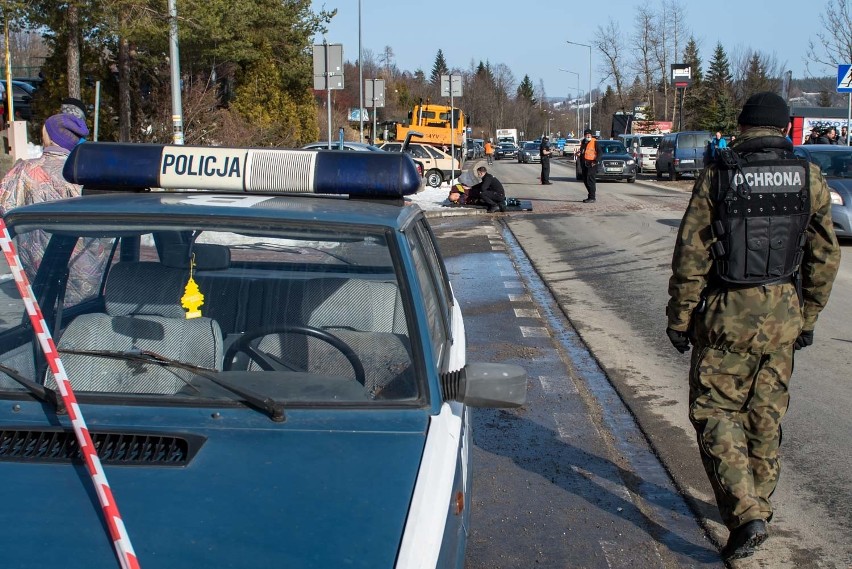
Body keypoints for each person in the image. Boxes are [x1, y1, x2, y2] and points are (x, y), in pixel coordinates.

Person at [666, 92, 840, 563]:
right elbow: (825, 256)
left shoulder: (719, 175)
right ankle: (759, 506)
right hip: (783, 314)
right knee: (766, 416)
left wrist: (680, 319)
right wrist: (808, 316)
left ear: (743, 126)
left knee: (716, 412)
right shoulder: (809, 177)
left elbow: (692, 254)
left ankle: (746, 515)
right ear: (785, 129)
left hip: (726, 316)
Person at [0, 113, 107, 305]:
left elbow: (5, 206)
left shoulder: (23, 171)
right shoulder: (88, 173)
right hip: (86, 267)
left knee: (44, 318)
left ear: (48, 136)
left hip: (40, 267)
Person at [578, 129, 598, 202]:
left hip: (592, 164)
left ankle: (592, 197)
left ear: (591, 135)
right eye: (586, 135)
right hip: (584, 164)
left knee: (590, 181)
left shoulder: (595, 142)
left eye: (589, 134)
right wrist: (579, 153)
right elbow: (582, 151)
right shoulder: (583, 142)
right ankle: (590, 195)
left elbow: (600, 153)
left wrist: (595, 161)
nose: (588, 136)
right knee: (585, 180)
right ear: (584, 135)